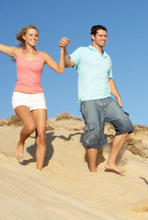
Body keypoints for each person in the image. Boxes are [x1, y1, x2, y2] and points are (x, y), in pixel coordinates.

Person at [61, 25, 133, 173]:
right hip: (89, 100)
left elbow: (109, 80)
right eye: (100, 35)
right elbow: (68, 63)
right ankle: (92, 172)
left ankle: (110, 162)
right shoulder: (82, 51)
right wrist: (63, 49)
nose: (103, 38)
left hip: (107, 99)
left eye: (105, 36)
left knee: (125, 125)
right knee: (94, 135)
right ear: (93, 36)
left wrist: (118, 96)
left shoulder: (107, 57)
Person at [0, 25, 67, 170]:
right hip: (20, 96)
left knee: (42, 136)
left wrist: (62, 50)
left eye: (36, 35)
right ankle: (21, 142)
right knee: (30, 126)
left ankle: (39, 171)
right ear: (24, 37)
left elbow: (60, 70)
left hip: (38, 97)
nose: (34, 38)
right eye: (30, 35)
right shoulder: (16, 52)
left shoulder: (43, 56)